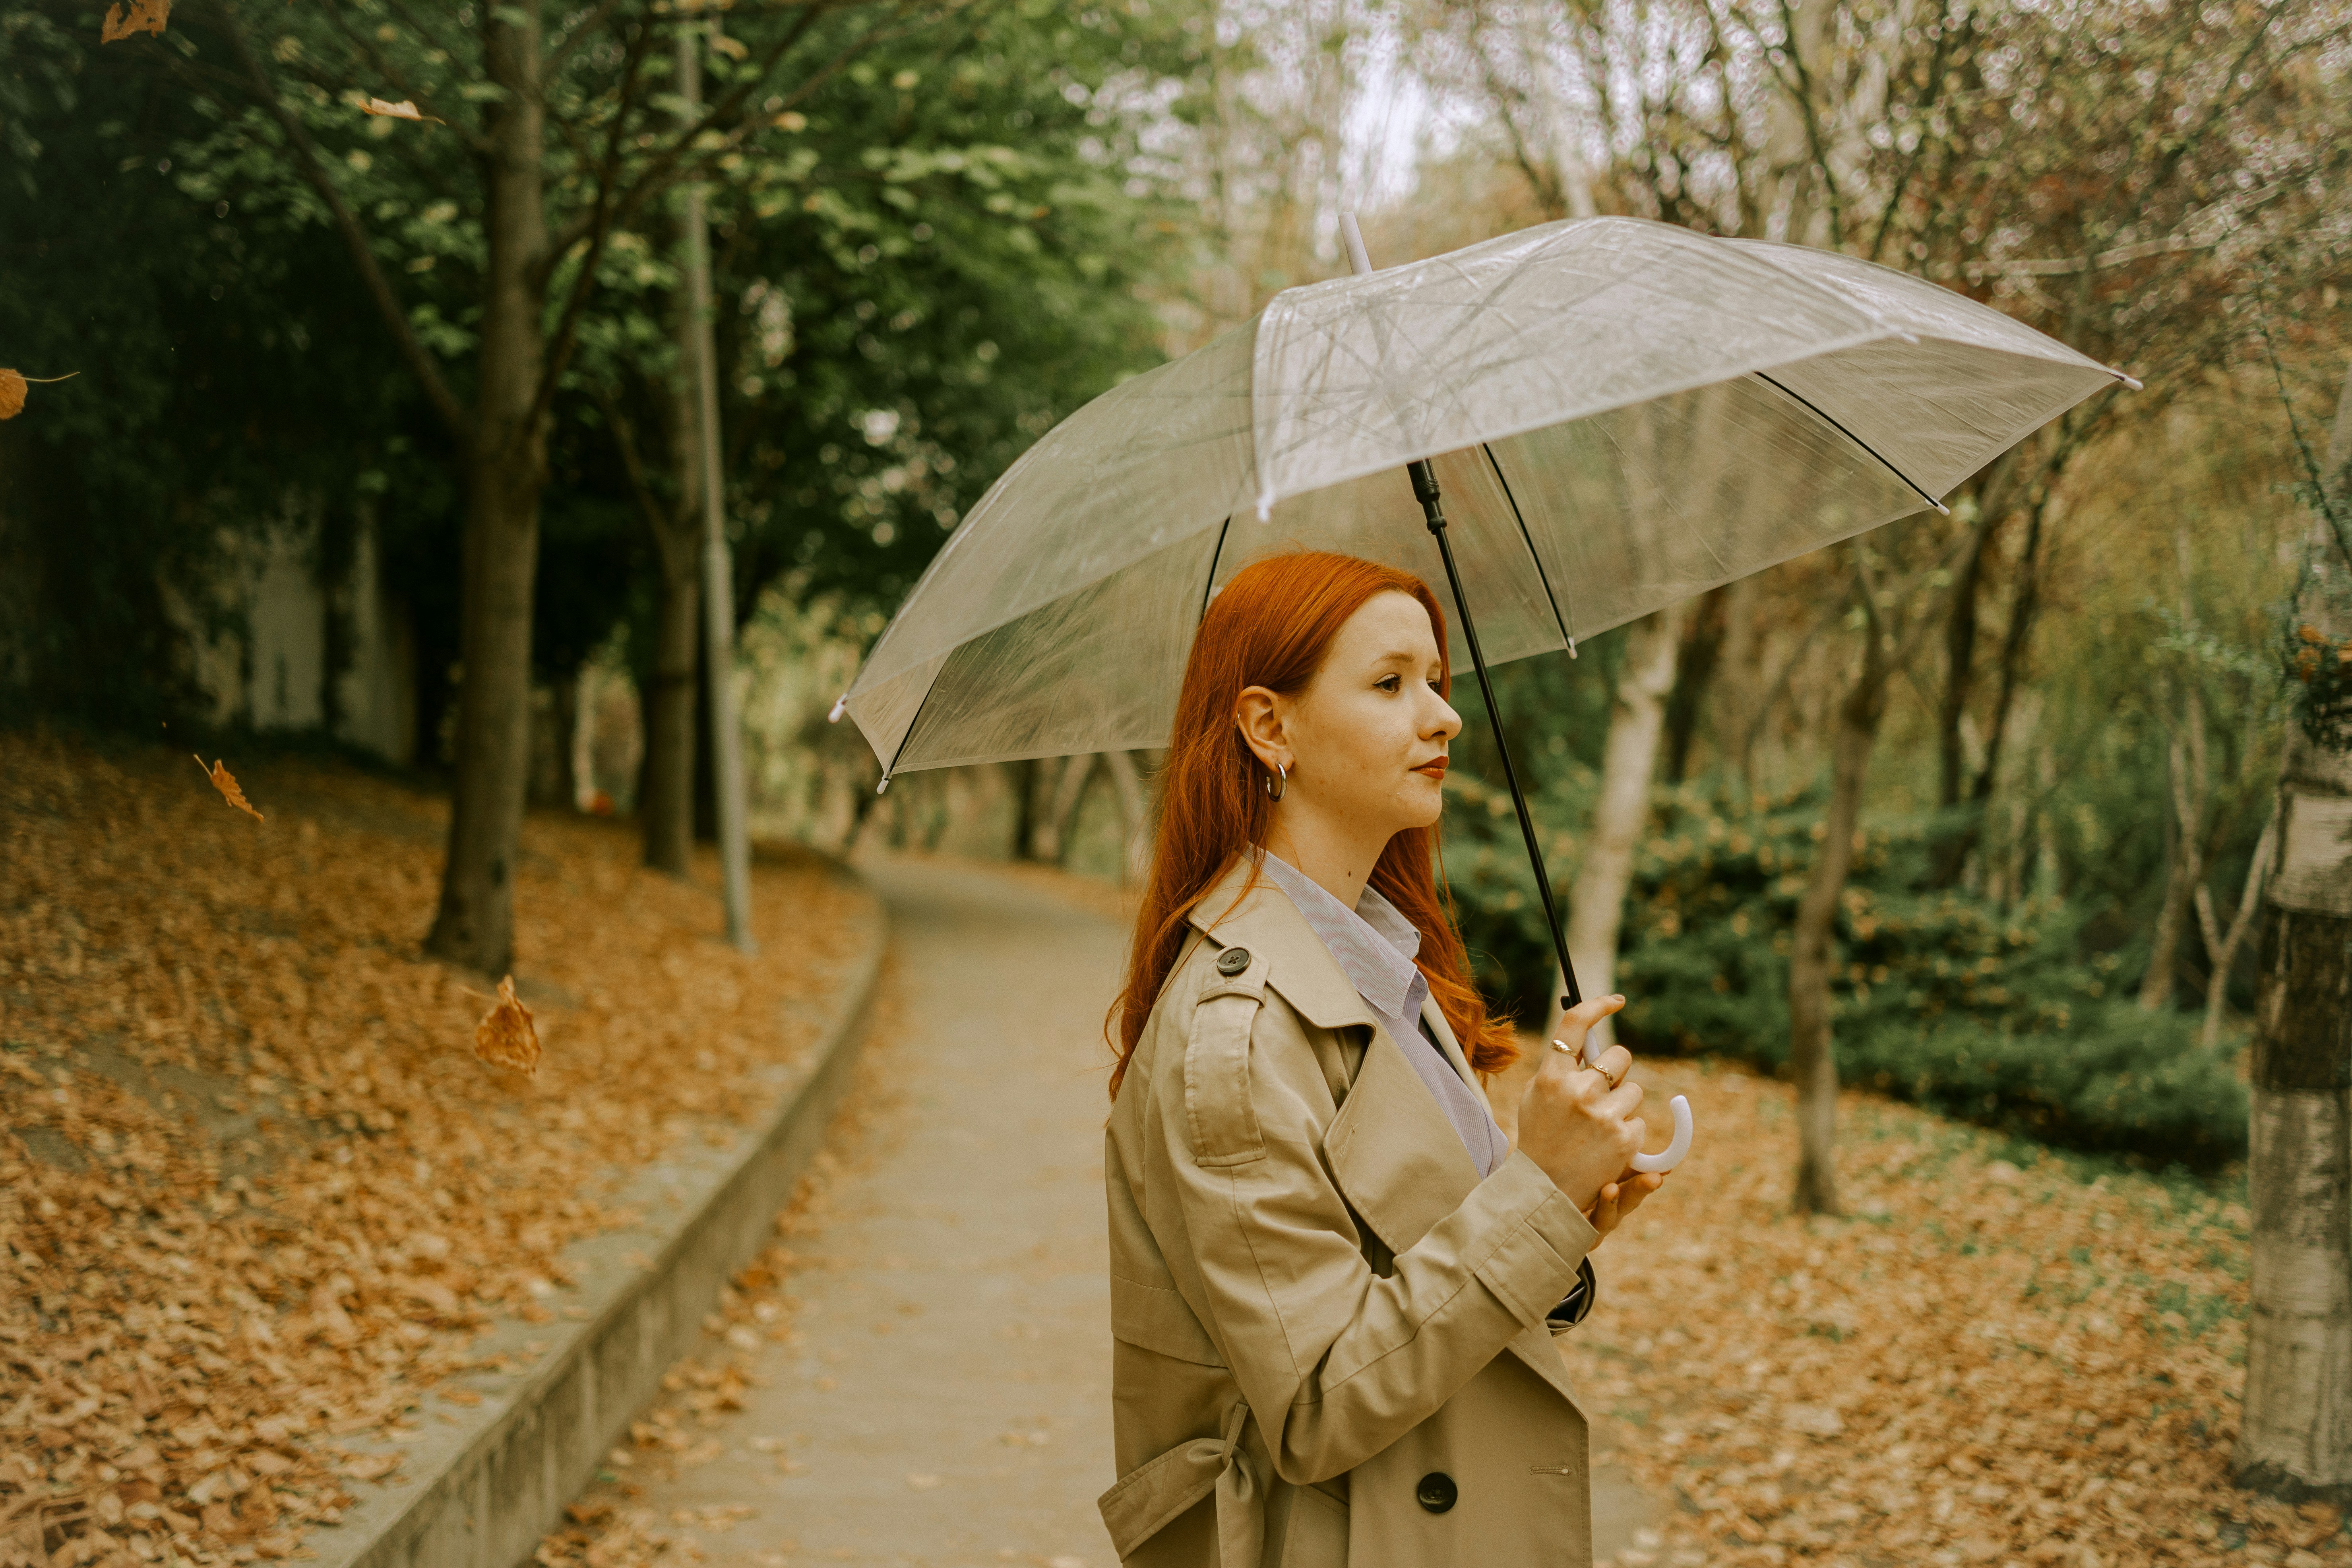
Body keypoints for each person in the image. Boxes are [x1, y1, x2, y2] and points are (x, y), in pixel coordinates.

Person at [1098, 551, 1668, 1568]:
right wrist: (1535, 1191)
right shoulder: (1235, 1034)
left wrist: (1566, 1207)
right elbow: (1318, 1399)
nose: (1444, 715)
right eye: (1390, 683)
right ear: (1269, 727)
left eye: (1437, 681)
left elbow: (1414, 1270)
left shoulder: (1373, 961)